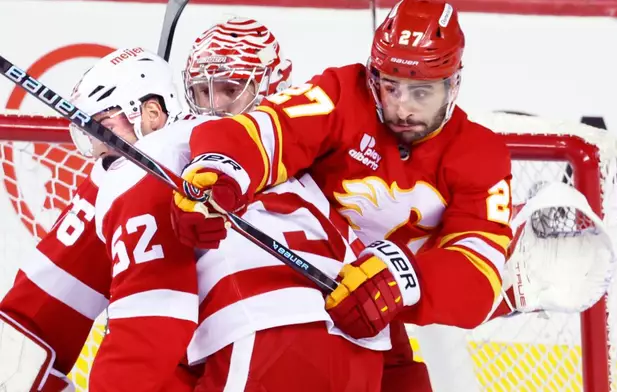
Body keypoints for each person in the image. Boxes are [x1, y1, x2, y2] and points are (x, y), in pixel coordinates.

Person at [171, 0, 514, 347]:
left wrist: (403, 278)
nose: (402, 108)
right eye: (391, 87)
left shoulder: (480, 154)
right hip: (295, 301)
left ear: (452, 85)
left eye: (421, 93)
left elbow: (480, 273)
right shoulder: (344, 93)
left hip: (381, 323)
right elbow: (273, 129)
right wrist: (220, 166)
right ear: (374, 75)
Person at [0, 47, 190, 392]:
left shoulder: (231, 151)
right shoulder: (107, 188)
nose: (99, 149)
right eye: (88, 136)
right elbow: (15, 347)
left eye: (103, 129)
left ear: (153, 114)